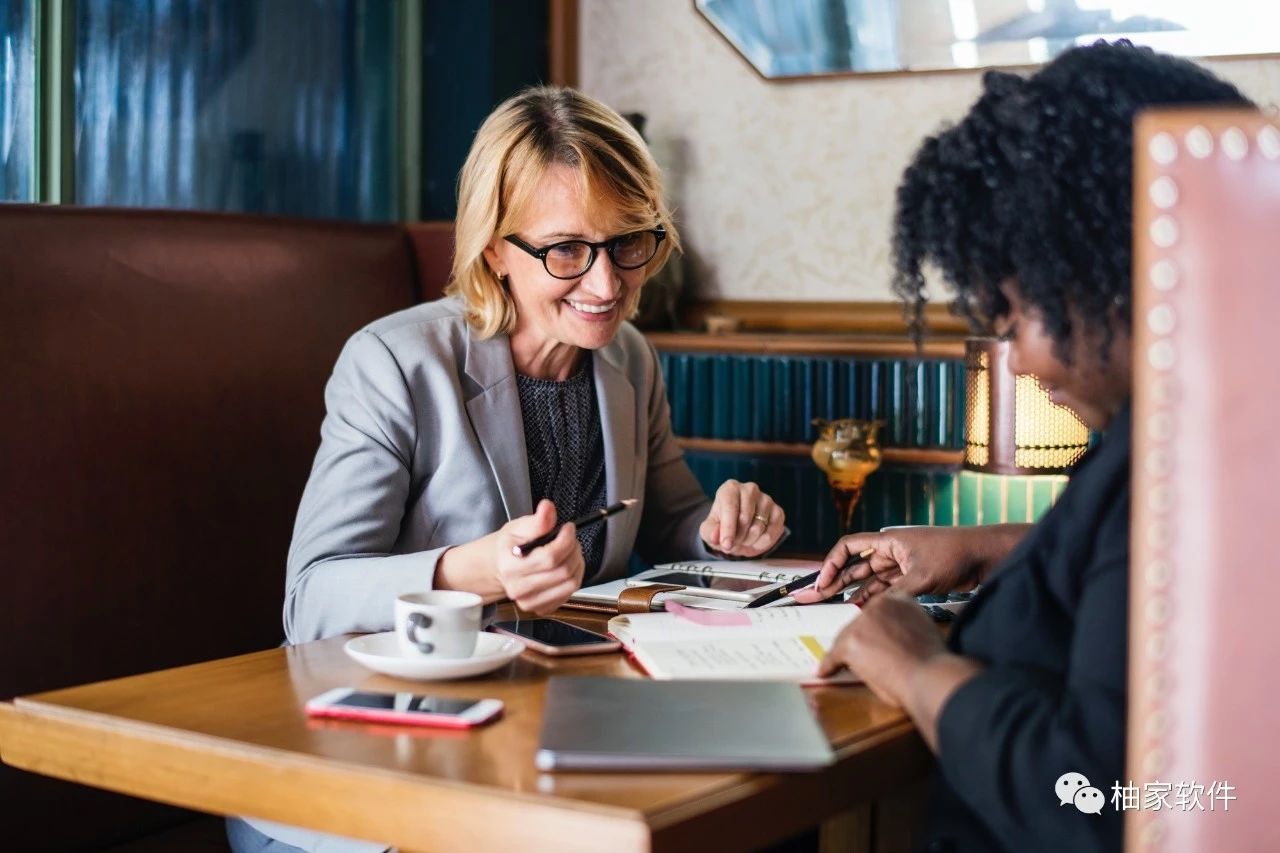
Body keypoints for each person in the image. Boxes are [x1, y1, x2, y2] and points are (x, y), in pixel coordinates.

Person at [231, 86, 788, 852]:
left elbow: (672, 519)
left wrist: (725, 528)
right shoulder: (395, 363)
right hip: (374, 773)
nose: (606, 284)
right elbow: (311, 599)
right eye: (566, 250)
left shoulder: (627, 356)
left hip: (549, 741)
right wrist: (475, 570)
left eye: (631, 242)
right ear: (495, 247)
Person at [793, 42, 1253, 853]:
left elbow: (1102, 798)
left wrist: (917, 667)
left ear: (1102, 272)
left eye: (1011, 321)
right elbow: (1138, 578)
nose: (1027, 365)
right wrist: (988, 547)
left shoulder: (1173, 464)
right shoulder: (1209, 436)